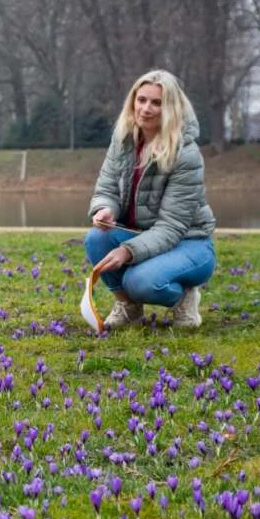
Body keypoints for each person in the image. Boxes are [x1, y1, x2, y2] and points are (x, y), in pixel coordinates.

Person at [85, 69, 216, 329]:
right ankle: (128, 307)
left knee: (140, 281)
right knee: (97, 238)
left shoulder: (186, 154)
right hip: (141, 235)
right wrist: (105, 209)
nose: (146, 108)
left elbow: (172, 227)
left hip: (188, 243)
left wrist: (127, 250)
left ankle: (183, 298)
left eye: (157, 103)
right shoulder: (122, 139)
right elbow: (107, 187)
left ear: (171, 109)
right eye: (141, 99)